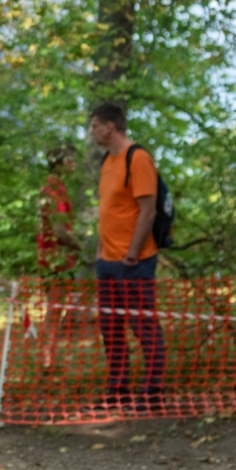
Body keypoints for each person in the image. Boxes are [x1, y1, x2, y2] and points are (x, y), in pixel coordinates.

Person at [89, 102, 165, 411]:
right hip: (107, 262)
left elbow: (148, 210)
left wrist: (132, 254)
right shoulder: (107, 161)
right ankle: (117, 390)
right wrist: (100, 250)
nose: (91, 131)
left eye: (94, 126)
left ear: (110, 126)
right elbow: (108, 210)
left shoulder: (139, 158)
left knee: (143, 325)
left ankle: (152, 393)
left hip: (134, 262)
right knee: (111, 327)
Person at [38, 145, 82, 368]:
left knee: (58, 307)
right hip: (55, 257)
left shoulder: (58, 188)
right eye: (70, 160)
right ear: (59, 163)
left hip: (59, 256)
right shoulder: (52, 190)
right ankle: (47, 360)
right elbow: (58, 231)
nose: (74, 164)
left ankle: (50, 357)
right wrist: (82, 247)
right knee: (54, 308)